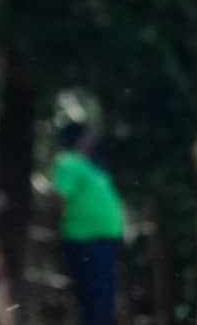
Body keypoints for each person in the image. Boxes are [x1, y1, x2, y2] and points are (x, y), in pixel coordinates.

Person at [52, 122, 126, 325]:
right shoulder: (68, 162)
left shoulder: (91, 165)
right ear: (77, 138)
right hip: (84, 239)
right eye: (87, 135)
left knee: (104, 297)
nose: (92, 139)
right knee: (94, 297)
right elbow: (59, 198)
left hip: (102, 239)